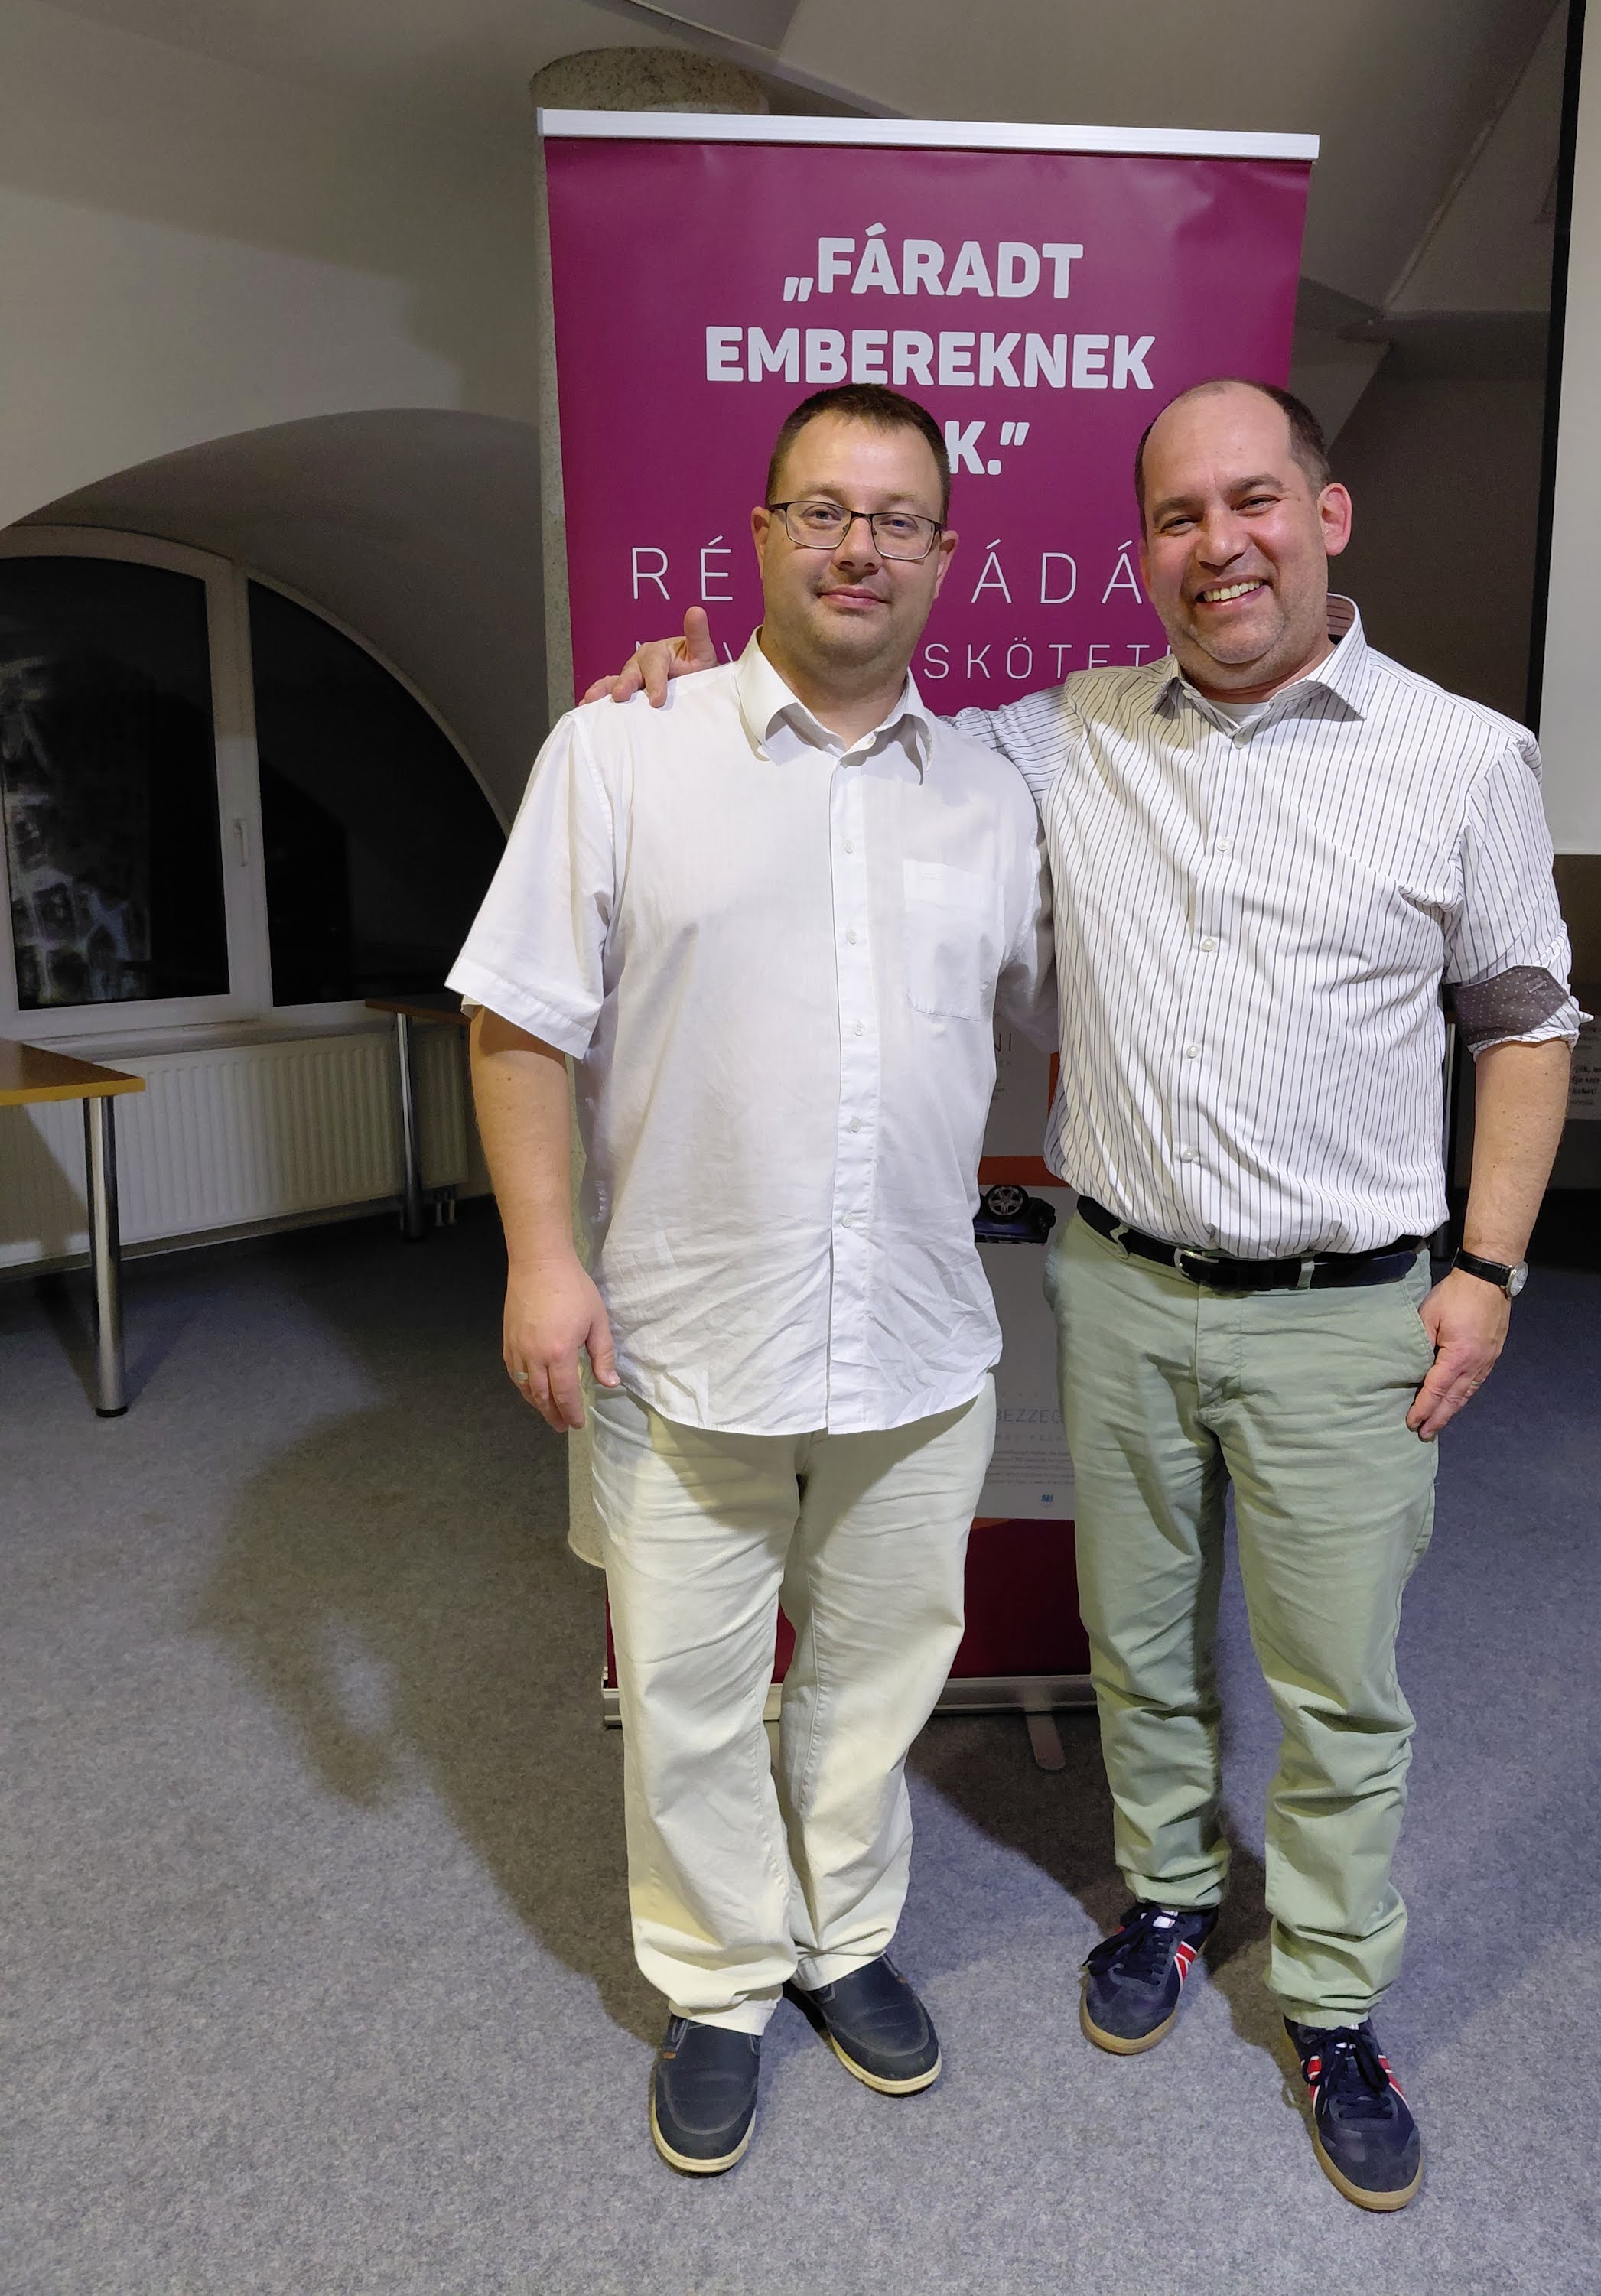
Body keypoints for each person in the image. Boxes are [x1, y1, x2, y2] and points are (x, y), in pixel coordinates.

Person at [585, 377, 1578, 2211]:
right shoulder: (1059, 738)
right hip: (1115, 1288)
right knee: (1139, 1648)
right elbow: (848, 728)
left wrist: (1486, 1270)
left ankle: (1333, 2001)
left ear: (1326, 517)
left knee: (1336, 1686)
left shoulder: (1462, 757)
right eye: (1177, 516)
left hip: (1348, 1312)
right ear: (1140, 552)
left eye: (1252, 501)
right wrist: (686, 693)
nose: (1218, 545)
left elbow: (1523, 1024)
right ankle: (1171, 1903)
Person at [448, 383, 1053, 2177]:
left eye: (896, 518)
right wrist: (541, 1259)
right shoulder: (621, 752)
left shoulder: (999, 795)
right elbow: (515, 1022)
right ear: (763, 534)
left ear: (944, 555)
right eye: (823, 512)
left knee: (875, 1679)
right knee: (689, 1694)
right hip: (680, 1330)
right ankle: (718, 1979)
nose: (859, 547)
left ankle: (841, 1939)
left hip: (916, 1346)